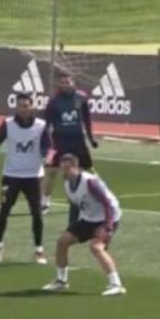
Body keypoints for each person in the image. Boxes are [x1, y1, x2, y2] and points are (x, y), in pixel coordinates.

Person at [42, 153, 126, 297]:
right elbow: (76, 205)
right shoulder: (68, 184)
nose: (64, 172)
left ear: (76, 167)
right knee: (62, 241)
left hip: (107, 217)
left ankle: (116, 284)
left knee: (96, 247)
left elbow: (108, 204)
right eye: (63, 168)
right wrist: (72, 227)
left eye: (67, 168)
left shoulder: (90, 182)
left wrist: (108, 227)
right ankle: (61, 281)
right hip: (88, 218)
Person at [0, 92, 52, 265]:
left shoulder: (41, 125)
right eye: (20, 105)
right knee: (4, 210)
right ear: (16, 106)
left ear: (32, 106)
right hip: (11, 175)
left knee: (37, 213)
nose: (23, 109)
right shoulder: (8, 124)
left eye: (26, 105)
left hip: (33, 176)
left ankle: (39, 250)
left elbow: (48, 144)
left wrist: (46, 156)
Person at [41, 72, 99, 221]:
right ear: (59, 84)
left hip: (77, 140)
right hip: (59, 141)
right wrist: (47, 146)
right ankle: (45, 202)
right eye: (62, 82)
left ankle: (98, 196)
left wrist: (91, 138)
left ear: (73, 82)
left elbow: (86, 118)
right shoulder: (54, 102)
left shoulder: (81, 97)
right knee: (51, 171)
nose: (65, 85)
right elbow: (47, 125)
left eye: (68, 82)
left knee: (88, 169)